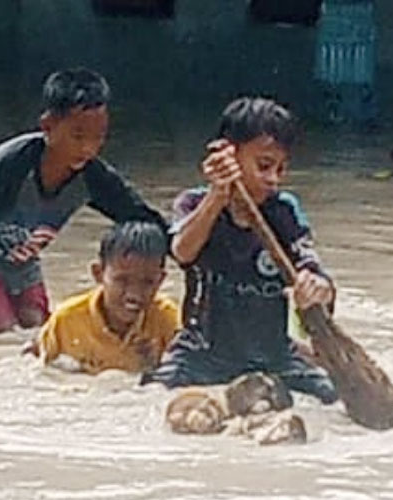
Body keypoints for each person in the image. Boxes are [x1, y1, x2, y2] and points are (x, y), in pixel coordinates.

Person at [0, 68, 165, 355]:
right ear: (47, 126)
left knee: (39, 330)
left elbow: (144, 217)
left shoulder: (94, 177)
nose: (88, 148)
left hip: (22, 248)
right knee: (3, 330)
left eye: (99, 137)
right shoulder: (13, 163)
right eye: (78, 136)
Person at [141, 96, 338, 404]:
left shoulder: (284, 211)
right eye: (263, 166)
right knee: (150, 398)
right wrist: (218, 195)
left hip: (274, 358)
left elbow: (313, 272)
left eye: (281, 169)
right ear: (230, 155)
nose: (273, 179)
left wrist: (317, 288)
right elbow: (182, 251)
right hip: (200, 355)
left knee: (333, 401)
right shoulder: (192, 204)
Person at [22, 221, 180, 373]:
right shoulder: (68, 319)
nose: (134, 294)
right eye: (122, 280)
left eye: (148, 282)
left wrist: (153, 363)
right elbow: (36, 360)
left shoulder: (167, 319)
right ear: (98, 274)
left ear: (160, 280)